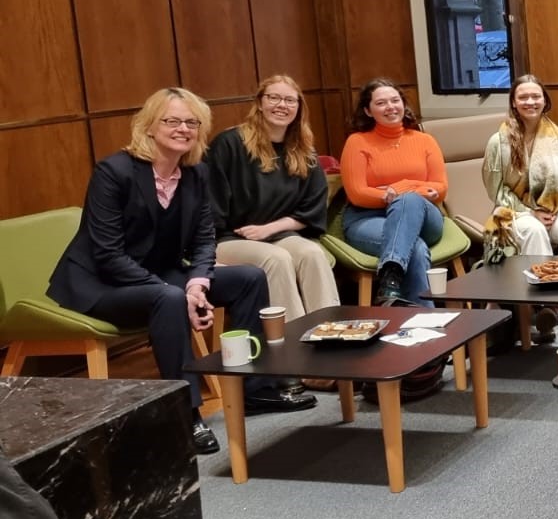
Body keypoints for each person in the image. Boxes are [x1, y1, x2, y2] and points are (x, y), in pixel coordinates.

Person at [47, 88, 316, 456]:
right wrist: (180, 291)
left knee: (249, 277)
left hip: (161, 275)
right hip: (100, 283)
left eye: (192, 122)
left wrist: (198, 282)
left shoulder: (195, 172)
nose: (183, 129)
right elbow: (108, 254)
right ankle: (185, 413)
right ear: (149, 126)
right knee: (168, 297)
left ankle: (254, 390)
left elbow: (205, 238)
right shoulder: (114, 172)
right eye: (172, 121)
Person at [204, 75, 337, 323]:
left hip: (279, 235)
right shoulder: (230, 144)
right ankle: (294, 344)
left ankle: (330, 330)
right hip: (229, 239)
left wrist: (271, 228)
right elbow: (210, 207)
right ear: (260, 103)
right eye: (274, 98)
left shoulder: (303, 149)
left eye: (289, 100)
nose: (281, 105)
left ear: (299, 107)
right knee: (276, 259)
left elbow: (312, 209)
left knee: (312, 253)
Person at [339, 79, 448, 306]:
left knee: (408, 199)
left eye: (395, 100)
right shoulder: (357, 142)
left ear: (403, 104)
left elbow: (440, 187)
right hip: (367, 219)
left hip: (425, 219)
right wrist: (418, 187)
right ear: (368, 111)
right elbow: (357, 194)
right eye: (381, 103)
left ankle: (389, 273)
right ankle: (422, 321)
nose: (390, 107)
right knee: (415, 249)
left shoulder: (424, 140)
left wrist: (399, 189)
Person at [482, 74, 558, 257]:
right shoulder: (498, 142)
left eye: (536, 96)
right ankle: (541, 282)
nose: (530, 102)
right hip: (513, 210)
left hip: (554, 209)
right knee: (535, 231)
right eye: (523, 97)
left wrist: (551, 211)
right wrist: (530, 212)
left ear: (545, 101)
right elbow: (496, 191)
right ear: (513, 103)